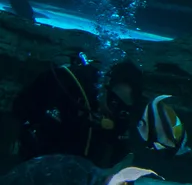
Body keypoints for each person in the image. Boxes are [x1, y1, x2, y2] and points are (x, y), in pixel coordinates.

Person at [6, 55, 145, 169]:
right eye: (113, 102)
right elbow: (22, 106)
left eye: (122, 107)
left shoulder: (120, 117)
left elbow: (119, 153)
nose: (113, 111)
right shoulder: (69, 86)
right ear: (105, 87)